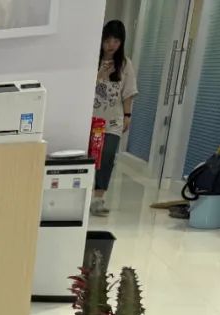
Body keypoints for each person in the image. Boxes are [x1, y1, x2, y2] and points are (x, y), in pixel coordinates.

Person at [92, 19, 137, 217]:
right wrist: (100, 74)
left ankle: (98, 199)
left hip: (113, 120)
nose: (111, 45)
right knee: (90, 156)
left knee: (108, 156)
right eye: (107, 40)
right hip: (92, 120)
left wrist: (127, 115)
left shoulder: (125, 64)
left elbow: (128, 93)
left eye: (116, 41)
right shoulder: (93, 59)